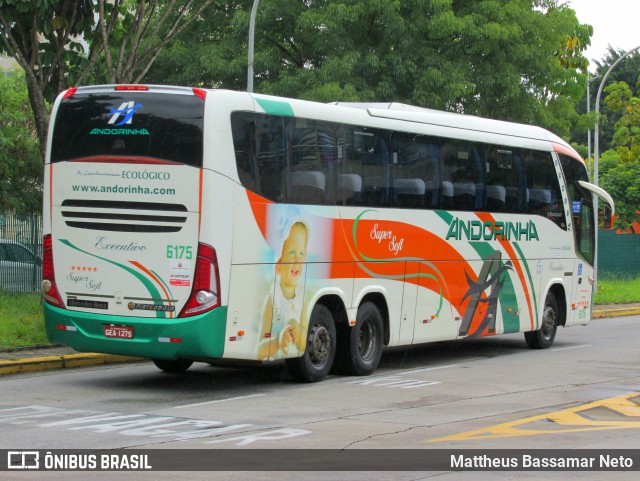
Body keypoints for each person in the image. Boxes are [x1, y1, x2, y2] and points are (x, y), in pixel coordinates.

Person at [257, 217, 308, 360]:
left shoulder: (301, 297)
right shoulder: (272, 299)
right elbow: (259, 349)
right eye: (292, 253)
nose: (297, 260)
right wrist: (277, 341)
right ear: (279, 263)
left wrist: (300, 333)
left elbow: (304, 345)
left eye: (301, 254)